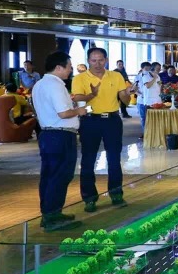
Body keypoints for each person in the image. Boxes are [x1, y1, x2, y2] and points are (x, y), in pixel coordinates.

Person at [71, 47, 134, 210]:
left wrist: (127, 93)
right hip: (90, 120)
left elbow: (125, 101)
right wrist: (92, 94)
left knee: (114, 159)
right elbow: (77, 98)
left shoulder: (116, 76)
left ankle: (116, 194)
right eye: (93, 60)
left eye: (100, 60)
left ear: (106, 60)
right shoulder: (79, 78)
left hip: (112, 120)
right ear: (88, 61)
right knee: (88, 160)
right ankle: (89, 198)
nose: (97, 64)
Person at [32, 51, 88, 231]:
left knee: (49, 175)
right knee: (60, 175)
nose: (71, 70)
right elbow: (63, 113)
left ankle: (50, 213)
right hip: (60, 136)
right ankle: (52, 217)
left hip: (49, 135)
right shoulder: (55, 85)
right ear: (58, 67)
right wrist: (80, 111)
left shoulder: (40, 84)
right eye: (69, 67)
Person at [135, 62, 159, 130]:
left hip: (150, 100)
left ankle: (149, 132)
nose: (148, 70)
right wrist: (140, 95)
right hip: (141, 100)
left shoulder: (151, 76)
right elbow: (134, 89)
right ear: (142, 68)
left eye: (149, 69)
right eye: (146, 69)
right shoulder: (138, 77)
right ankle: (145, 133)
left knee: (150, 118)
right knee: (143, 118)